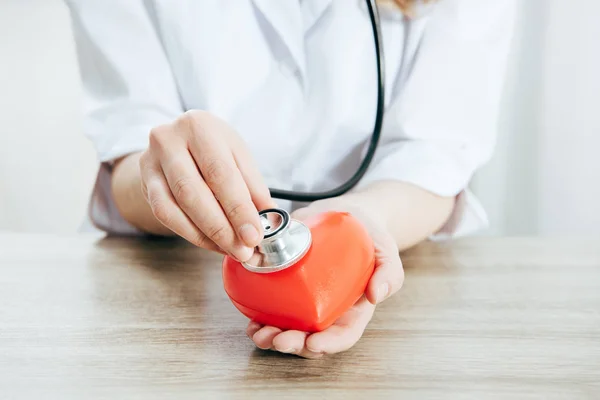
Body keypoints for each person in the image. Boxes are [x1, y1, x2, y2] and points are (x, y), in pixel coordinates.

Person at [65, 0, 516, 358]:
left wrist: (356, 222)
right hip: (162, 299)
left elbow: (436, 153)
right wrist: (165, 174)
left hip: (408, 299)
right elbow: (126, 155)